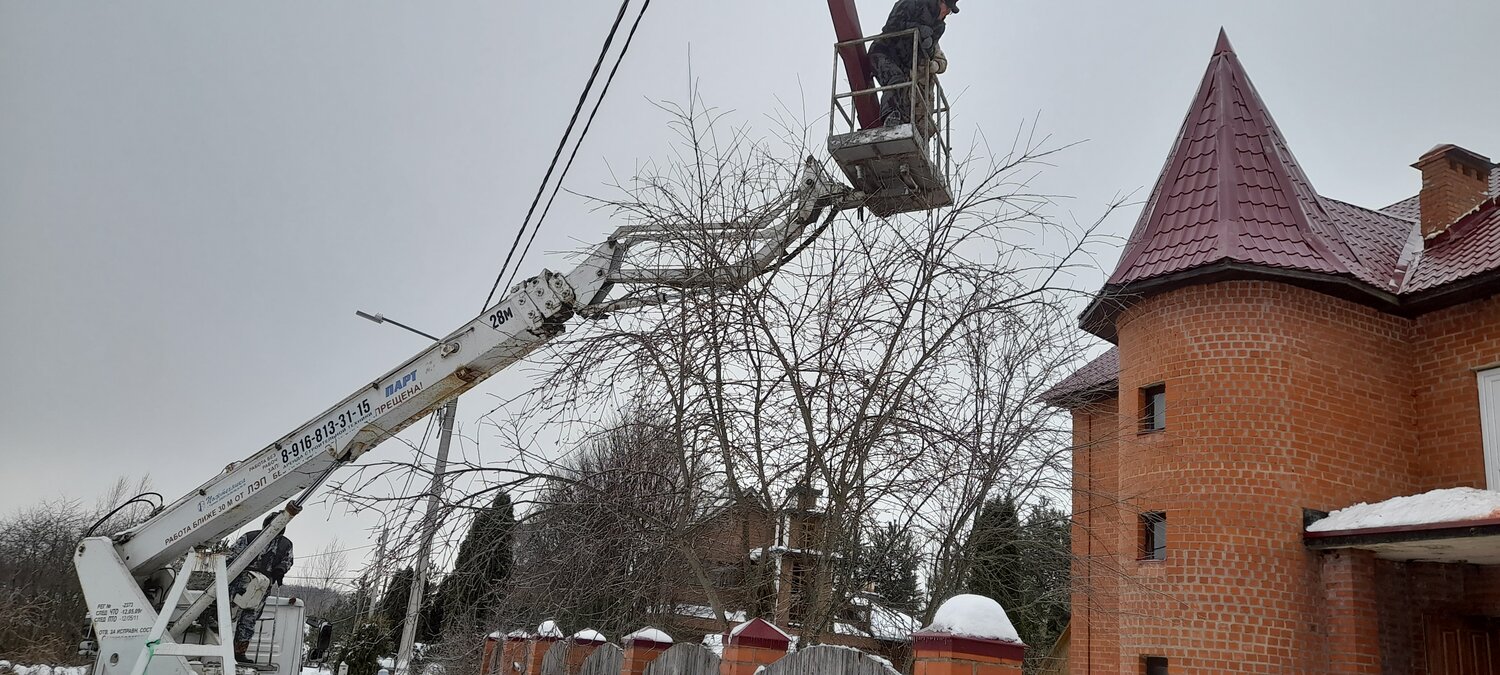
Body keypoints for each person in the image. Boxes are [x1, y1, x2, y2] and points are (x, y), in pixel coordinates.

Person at [867, 0, 957, 130]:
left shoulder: (939, 27)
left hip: (904, 65)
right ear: (940, 1)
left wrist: (928, 47)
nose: (947, 13)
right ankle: (889, 117)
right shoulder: (912, 4)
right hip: (883, 51)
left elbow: (930, 55)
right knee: (895, 80)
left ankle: (899, 119)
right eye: (947, 7)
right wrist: (916, 28)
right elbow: (891, 26)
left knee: (905, 90)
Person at [223, 513, 295, 664]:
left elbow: (288, 561)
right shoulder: (251, 537)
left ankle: (239, 653)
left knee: (249, 620)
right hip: (241, 581)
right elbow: (230, 557)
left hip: (262, 585)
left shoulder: (285, 544)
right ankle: (220, 647)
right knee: (226, 615)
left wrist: (280, 570)